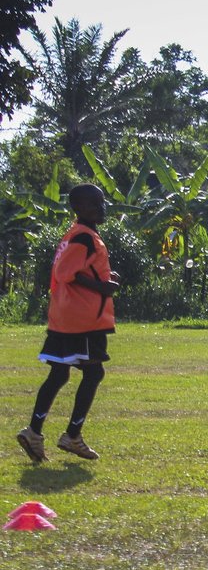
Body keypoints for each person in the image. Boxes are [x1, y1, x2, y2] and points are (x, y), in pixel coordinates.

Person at [16, 184, 120, 463]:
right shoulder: (83, 237)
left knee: (60, 374)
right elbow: (65, 272)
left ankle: (34, 432)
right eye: (95, 204)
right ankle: (72, 436)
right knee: (94, 373)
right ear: (80, 208)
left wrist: (102, 279)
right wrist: (101, 288)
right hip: (83, 318)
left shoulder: (78, 235)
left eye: (102, 202)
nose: (102, 208)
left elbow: (76, 269)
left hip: (65, 315)